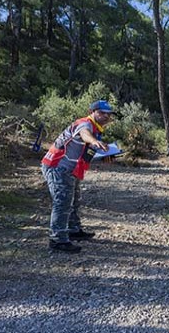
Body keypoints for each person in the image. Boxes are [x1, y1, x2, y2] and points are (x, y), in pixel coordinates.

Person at [41, 100, 113, 253]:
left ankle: (73, 230)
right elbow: (84, 135)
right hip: (57, 166)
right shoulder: (85, 124)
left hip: (69, 169)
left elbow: (84, 153)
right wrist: (94, 141)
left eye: (108, 114)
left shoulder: (96, 128)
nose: (105, 116)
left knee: (73, 199)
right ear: (92, 112)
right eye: (101, 113)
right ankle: (57, 239)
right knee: (62, 201)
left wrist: (103, 155)